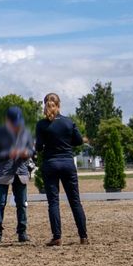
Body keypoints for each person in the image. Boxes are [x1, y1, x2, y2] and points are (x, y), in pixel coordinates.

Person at [35, 93, 89, 246]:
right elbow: (78, 141)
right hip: (67, 163)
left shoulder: (41, 124)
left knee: (53, 202)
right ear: (59, 105)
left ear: (45, 105)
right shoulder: (68, 122)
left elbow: (38, 147)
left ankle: (57, 237)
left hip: (50, 164)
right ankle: (83, 236)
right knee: (75, 201)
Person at [0, 106, 35, 244]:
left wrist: (28, 153)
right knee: (0, 204)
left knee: (22, 204)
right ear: (7, 120)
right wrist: (8, 154)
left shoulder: (26, 132)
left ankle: (22, 232)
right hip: (3, 172)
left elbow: (32, 150)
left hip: (21, 171)